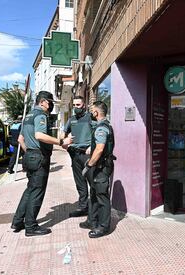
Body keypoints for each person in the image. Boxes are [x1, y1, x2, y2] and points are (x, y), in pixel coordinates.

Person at [11, 91, 73, 237]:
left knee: (30, 190)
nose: (50, 105)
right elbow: (39, 135)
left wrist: (30, 153)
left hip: (29, 156)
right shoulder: (41, 115)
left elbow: (20, 139)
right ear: (43, 102)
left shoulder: (27, 116)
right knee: (37, 192)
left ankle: (18, 221)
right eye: (49, 102)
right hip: (38, 157)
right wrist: (61, 142)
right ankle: (31, 227)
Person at [80, 101, 115, 238]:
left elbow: (100, 149)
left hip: (101, 167)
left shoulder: (101, 128)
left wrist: (89, 165)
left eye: (92, 110)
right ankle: (92, 220)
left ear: (96, 112)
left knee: (101, 196)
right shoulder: (103, 126)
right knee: (93, 194)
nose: (90, 112)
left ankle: (103, 227)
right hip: (99, 166)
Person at [64, 95, 96, 217]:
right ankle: (83, 207)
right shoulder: (71, 119)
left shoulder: (90, 118)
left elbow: (97, 133)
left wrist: (91, 147)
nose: (76, 107)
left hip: (87, 154)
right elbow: (64, 133)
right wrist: (64, 141)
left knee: (92, 182)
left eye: (78, 105)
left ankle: (94, 209)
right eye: (74, 105)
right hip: (75, 155)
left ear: (84, 105)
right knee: (80, 183)